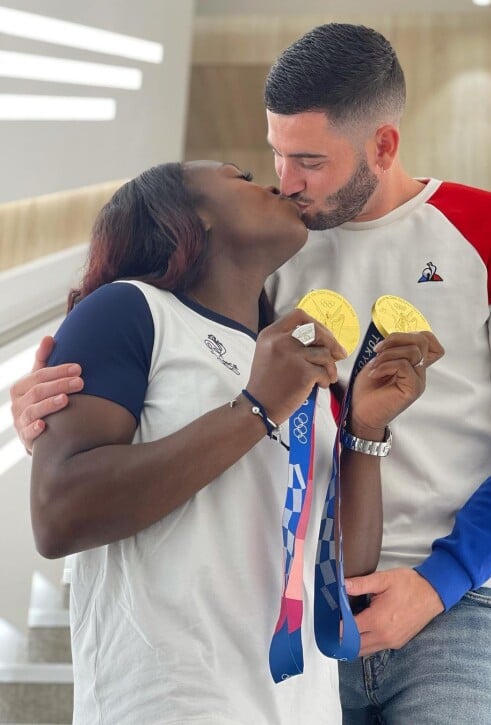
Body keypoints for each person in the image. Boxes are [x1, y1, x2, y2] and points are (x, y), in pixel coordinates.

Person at [10, 22, 491, 725]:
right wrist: (56, 409)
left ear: (384, 146)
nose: (286, 183)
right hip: (294, 598)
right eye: (275, 155)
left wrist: (438, 583)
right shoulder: (274, 254)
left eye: (308, 160)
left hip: (452, 606)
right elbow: (190, 380)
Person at [22, 158, 441, 725]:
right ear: (191, 215)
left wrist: (364, 430)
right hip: (168, 703)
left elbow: (341, 572)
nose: (272, 182)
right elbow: (58, 513)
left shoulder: (290, 363)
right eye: (239, 178)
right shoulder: (128, 310)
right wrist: (256, 408)